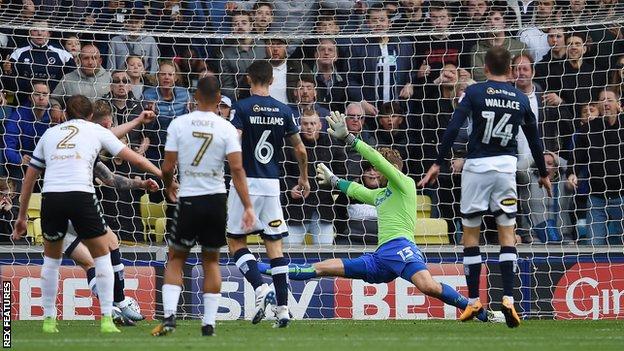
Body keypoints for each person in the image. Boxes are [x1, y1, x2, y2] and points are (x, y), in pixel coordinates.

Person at [258, 111, 494, 324]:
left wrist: (351, 139)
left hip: (402, 249)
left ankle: (476, 309)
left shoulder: (405, 184)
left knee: (428, 286)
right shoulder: (381, 195)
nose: (373, 170)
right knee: (323, 268)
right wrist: (333, 181)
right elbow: (356, 190)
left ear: (390, 169)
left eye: (377, 168)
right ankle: (269, 270)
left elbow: (379, 160)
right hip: (381, 257)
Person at [418, 46, 552, 328]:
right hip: (506, 170)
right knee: (506, 233)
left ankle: (475, 301)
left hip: (476, 168)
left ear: (486, 68)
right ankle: (508, 299)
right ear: (512, 70)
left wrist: (438, 163)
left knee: (471, 234)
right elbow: (536, 139)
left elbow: (453, 127)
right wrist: (543, 173)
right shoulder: (520, 97)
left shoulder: (475, 92)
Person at [11, 94, 162, 334]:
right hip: (81, 199)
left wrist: (21, 216)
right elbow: (127, 154)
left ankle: (50, 321)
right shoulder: (92, 134)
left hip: (52, 200)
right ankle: (108, 316)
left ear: (65, 115)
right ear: (91, 118)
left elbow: (31, 176)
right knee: (99, 256)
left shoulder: (51, 136)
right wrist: (163, 174)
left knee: (56, 261)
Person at [151, 76, 255, 337]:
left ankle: (170, 317)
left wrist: (168, 186)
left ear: (195, 96)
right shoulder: (227, 128)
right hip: (216, 200)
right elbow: (237, 168)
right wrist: (248, 206)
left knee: (176, 257)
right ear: (219, 99)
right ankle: (208, 324)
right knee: (211, 261)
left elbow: (166, 168)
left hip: (189, 199)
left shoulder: (178, 124)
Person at [227, 60, 309, 328]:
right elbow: (300, 149)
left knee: (236, 241)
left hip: (245, 183)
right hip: (272, 185)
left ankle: (261, 288)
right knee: (274, 246)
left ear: (249, 78)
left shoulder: (240, 108)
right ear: (272, 81)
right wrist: (304, 177)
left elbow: (233, 141)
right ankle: (284, 309)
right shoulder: (284, 110)